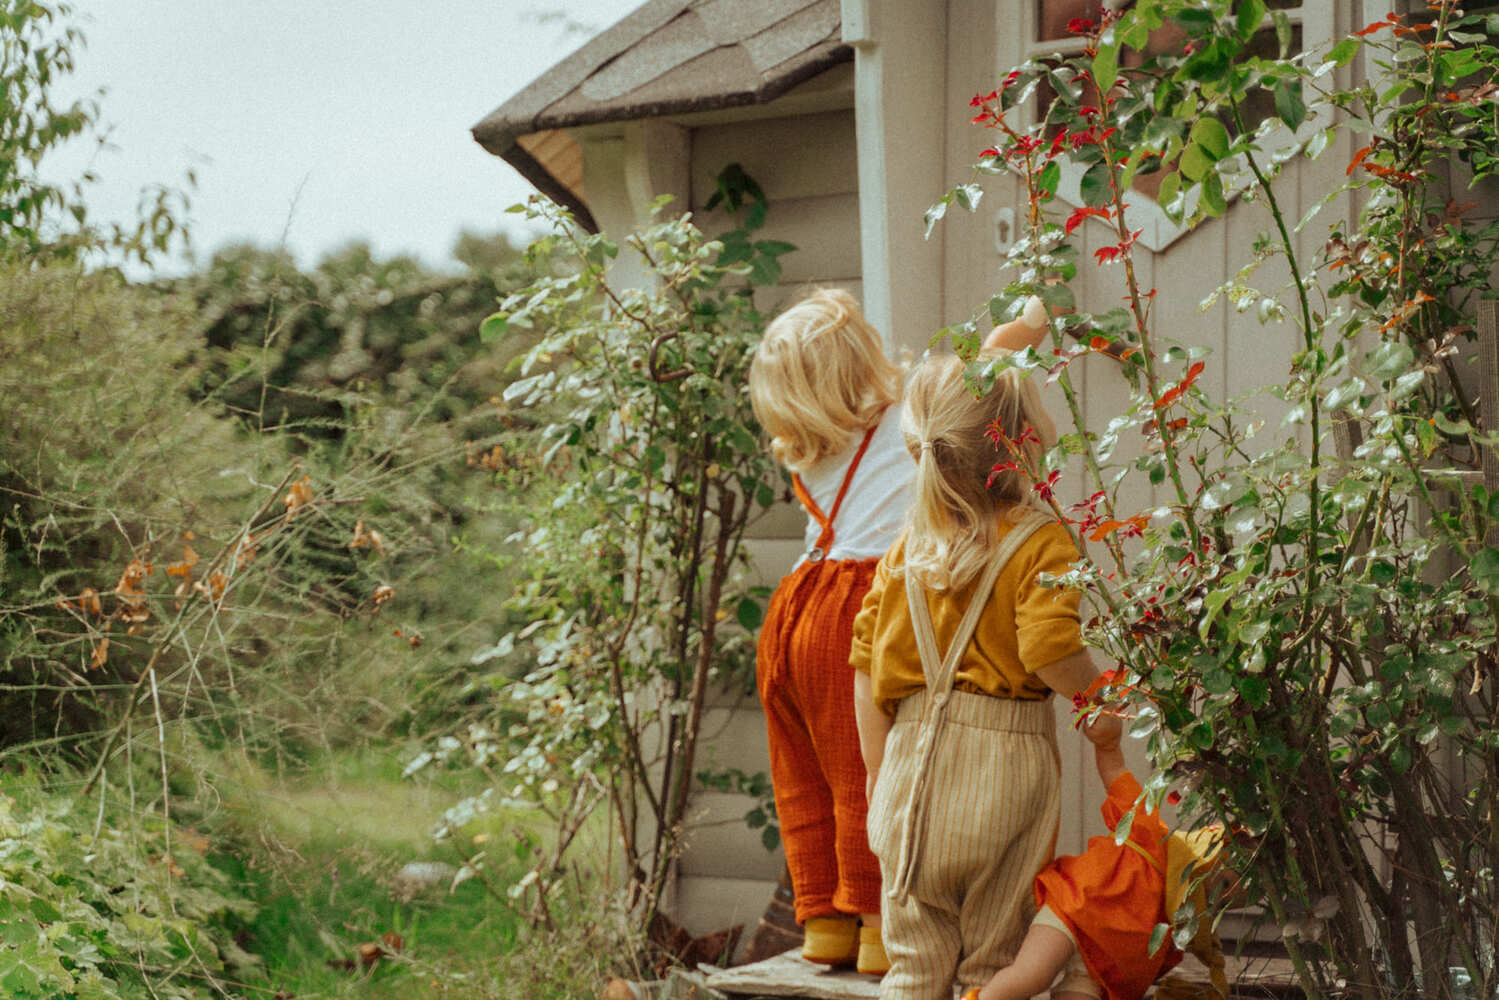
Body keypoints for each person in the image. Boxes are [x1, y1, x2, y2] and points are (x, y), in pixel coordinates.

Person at [750, 289, 1048, 975]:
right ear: (860, 359)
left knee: (803, 775)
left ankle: (823, 924)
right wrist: (1026, 327)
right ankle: (878, 926)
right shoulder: (904, 413)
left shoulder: (808, 451)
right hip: (855, 602)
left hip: (791, 611)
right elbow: (980, 369)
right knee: (864, 767)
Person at [850, 349, 1115, 999]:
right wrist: (1099, 705)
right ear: (1023, 442)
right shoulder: (1038, 541)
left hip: (905, 777)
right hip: (1002, 777)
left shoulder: (904, 554)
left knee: (913, 969)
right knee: (992, 968)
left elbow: (866, 667)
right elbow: (1049, 649)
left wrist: (877, 775)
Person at [962, 711, 1228, 1000]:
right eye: (1224, 883)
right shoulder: (1151, 835)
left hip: (1098, 966)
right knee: (1033, 974)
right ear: (1202, 854)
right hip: (1075, 910)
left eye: (1226, 904)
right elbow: (1116, 775)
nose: (1222, 898)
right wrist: (1107, 744)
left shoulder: (1181, 925)